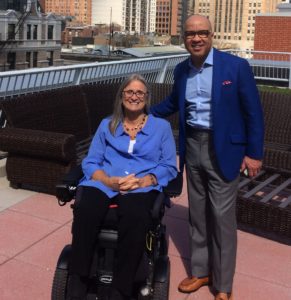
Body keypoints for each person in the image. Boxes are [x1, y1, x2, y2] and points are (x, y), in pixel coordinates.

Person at [150, 15, 264, 300]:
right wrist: (141, 114)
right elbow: (173, 104)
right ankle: (201, 272)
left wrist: (254, 154)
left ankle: (224, 285)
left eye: (202, 33)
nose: (196, 39)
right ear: (184, 38)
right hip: (191, 146)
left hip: (224, 149)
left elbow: (254, 114)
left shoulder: (236, 67)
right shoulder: (180, 71)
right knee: (197, 215)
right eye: (190, 34)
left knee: (223, 219)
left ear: (211, 36)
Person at [66, 74, 177, 300]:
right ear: (121, 96)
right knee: (85, 209)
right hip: (106, 182)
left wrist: (145, 181)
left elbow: (169, 166)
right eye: (129, 92)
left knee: (135, 215)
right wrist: (107, 181)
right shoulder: (107, 125)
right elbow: (90, 161)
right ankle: (79, 279)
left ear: (147, 98)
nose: (134, 97)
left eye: (139, 93)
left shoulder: (161, 128)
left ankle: (121, 287)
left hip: (141, 187)